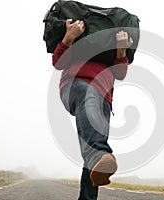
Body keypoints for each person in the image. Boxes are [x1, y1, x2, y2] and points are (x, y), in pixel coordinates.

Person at [52, 19, 133, 199]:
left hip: (104, 97)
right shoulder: (80, 43)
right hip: (76, 85)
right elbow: (58, 62)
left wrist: (121, 50)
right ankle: (98, 154)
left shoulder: (109, 50)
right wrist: (68, 37)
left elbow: (120, 74)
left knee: (94, 156)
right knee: (96, 150)